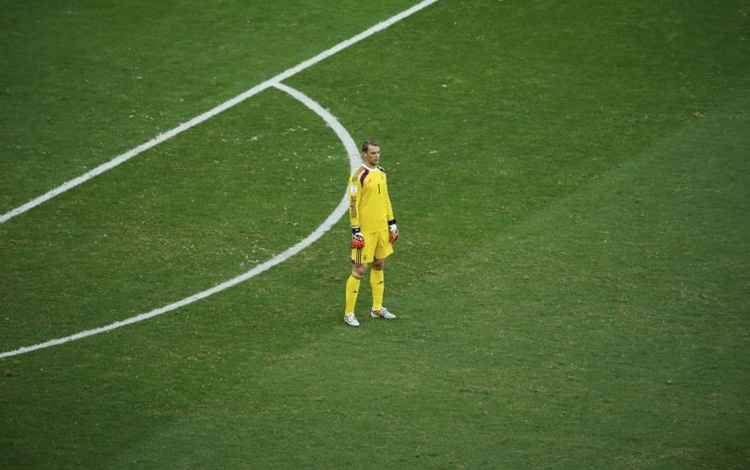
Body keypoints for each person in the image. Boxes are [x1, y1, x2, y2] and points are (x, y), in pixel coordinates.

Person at [343, 139, 400, 327]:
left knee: (379, 264)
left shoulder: (382, 173)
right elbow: (352, 205)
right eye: (373, 153)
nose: (376, 156)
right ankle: (349, 313)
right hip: (365, 232)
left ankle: (377, 308)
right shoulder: (358, 176)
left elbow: (386, 199)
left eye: (378, 152)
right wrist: (355, 230)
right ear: (364, 154)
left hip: (382, 229)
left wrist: (392, 222)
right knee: (359, 269)